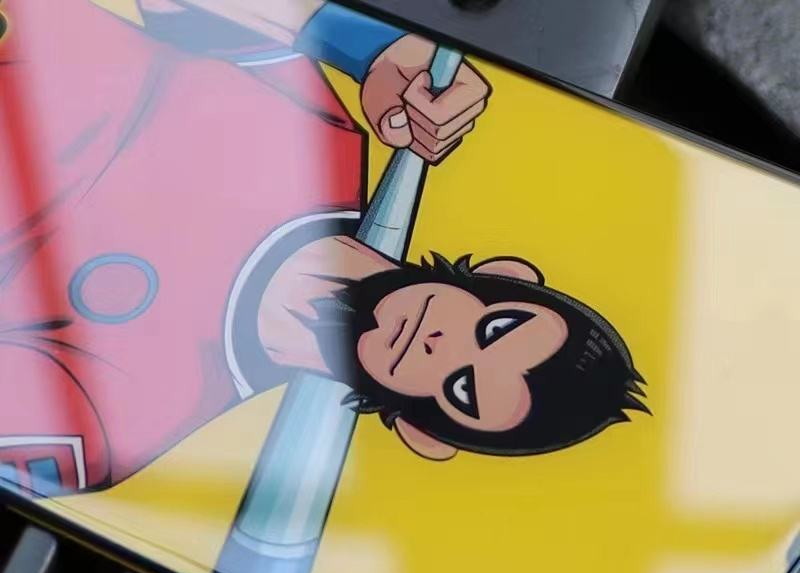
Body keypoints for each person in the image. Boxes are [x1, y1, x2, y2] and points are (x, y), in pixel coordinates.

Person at [0, 0, 644, 497]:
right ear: (506, 276)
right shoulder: (318, 128)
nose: (441, 345)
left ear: (421, 433)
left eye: (463, 390)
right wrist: (364, 44)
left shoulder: (115, 422)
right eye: (495, 328)